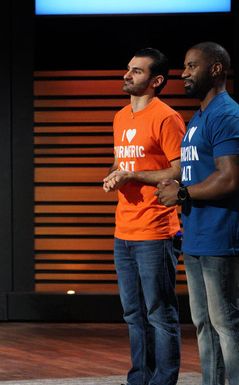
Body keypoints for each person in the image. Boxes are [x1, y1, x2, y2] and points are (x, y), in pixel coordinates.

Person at [155, 42, 239, 384]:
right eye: (184, 66)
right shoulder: (199, 118)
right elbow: (199, 173)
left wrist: (182, 193)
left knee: (226, 321)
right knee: (205, 324)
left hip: (222, 236)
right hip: (198, 236)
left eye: (191, 66)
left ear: (215, 69)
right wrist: (176, 185)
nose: (183, 73)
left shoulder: (226, 115)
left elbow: (230, 179)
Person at [103, 47, 185, 385]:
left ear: (156, 81)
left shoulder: (166, 117)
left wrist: (133, 176)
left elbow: (179, 170)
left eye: (137, 71)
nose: (127, 75)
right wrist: (114, 175)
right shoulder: (121, 116)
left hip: (156, 230)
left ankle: (162, 381)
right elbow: (122, 162)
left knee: (159, 314)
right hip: (124, 231)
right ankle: (139, 379)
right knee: (134, 314)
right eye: (128, 69)